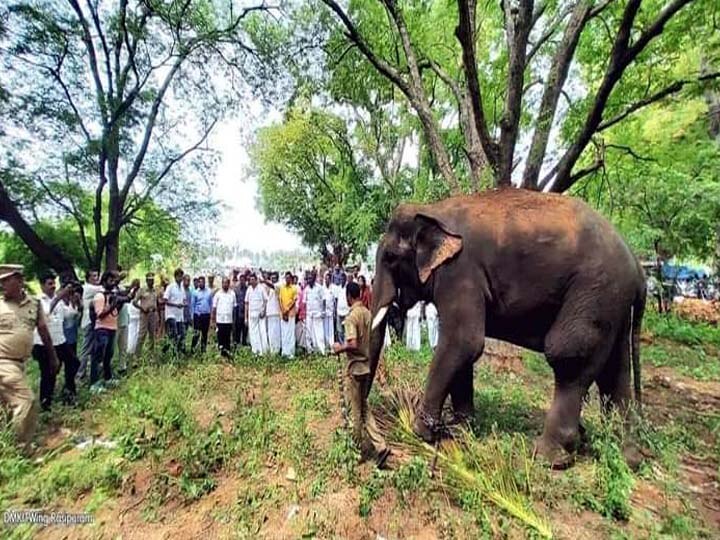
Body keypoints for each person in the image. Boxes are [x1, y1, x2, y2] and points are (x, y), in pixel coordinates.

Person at [0, 264, 59, 452]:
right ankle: (22, 449)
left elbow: (43, 331)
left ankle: (8, 445)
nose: (1, 286)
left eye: (5, 281)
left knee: (9, 407)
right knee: (27, 401)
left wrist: (53, 357)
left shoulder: (35, 304)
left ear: (19, 280)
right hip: (3, 362)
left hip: (20, 364)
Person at [332, 282, 389, 468]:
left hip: (355, 369)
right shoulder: (367, 314)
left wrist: (339, 348)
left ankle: (356, 452)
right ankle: (381, 446)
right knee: (365, 409)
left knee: (355, 412)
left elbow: (353, 343)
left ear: (349, 296)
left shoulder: (352, 318)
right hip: (366, 366)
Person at [31, 271, 76, 409]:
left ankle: (68, 390)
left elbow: (69, 315)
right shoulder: (38, 301)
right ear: (42, 286)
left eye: (54, 283)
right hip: (43, 343)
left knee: (74, 363)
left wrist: (72, 300)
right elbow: (45, 316)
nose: (53, 286)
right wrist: (59, 298)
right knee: (48, 373)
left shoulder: (59, 300)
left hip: (60, 340)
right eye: (50, 284)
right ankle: (45, 403)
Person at [90, 270, 123, 392]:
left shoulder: (111, 295)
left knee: (108, 355)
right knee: (98, 356)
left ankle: (107, 378)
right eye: (110, 280)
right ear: (104, 281)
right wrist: (112, 305)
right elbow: (100, 315)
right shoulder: (100, 296)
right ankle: (94, 383)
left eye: (114, 280)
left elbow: (115, 312)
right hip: (102, 329)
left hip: (112, 328)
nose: (113, 283)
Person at [76, 269, 103, 381]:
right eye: (94, 276)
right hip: (89, 322)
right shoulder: (88, 288)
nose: (97, 278)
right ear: (88, 278)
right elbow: (103, 289)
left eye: (97, 276)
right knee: (86, 348)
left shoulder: (91, 288)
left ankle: (88, 370)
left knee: (92, 348)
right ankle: (80, 372)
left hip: (92, 321)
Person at [116, 278, 140, 374]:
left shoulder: (121, 287)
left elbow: (128, 297)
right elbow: (125, 297)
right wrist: (131, 289)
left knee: (123, 346)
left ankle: (122, 367)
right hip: (115, 322)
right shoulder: (112, 291)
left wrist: (133, 289)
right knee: (111, 349)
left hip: (124, 321)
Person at [133, 273, 158, 358]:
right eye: (150, 280)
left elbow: (156, 302)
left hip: (153, 315)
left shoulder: (155, 290)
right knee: (142, 335)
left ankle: (150, 355)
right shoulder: (142, 290)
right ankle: (137, 355)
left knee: (152, 335)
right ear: (147, 280)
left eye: (153, 279)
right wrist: (142, 308)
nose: (152, 281)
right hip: (144, 315)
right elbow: (134, 302)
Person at [163, 268, 187, 355]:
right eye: (179, 276)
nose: (181, 278)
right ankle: (175, 354)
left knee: (181, 334)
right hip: (171, 314)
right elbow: (165, 300)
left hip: (180, 316)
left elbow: (184, 299)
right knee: (175, 334)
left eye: (182, 276)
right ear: (175, 277)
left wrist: (185, 303)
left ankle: (166, 348)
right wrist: (176, 305)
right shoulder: (170, 287)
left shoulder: (182, 288)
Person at [212, 277, 236, 358]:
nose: (225, 284)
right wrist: (213, 321)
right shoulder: (218, 294)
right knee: (220, 337)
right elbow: (214, 308)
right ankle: (221, 353)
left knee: (227, 337)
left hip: (229, 320)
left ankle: (227, 353)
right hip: (220, 320)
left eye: (226, 283)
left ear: (229, 284)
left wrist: (234, 320)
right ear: (222, 284)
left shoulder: (232, 294)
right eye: (223, 283)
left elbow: (234, 308)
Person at [245, 274, 268, 355]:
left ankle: (263, 352)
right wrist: (246, 318)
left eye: (252, 279)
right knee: (253, 333)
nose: (251, 281)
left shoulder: (261, 288)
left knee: (261, 332)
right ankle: (255, 351)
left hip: (260, 314)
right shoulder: (249, 289)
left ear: (256, 280)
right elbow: (246, 304)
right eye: (250, 280)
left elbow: (265, 301)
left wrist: (264, 311)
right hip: (251, 314)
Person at [304, 273, 325, 354]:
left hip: (318, 313)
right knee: (309, 333)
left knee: (319, 333)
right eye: (308, 279)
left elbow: (323, 300)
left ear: (314, 279)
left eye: (310, 278)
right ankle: (310, 350)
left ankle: (321, 351)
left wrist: (323, 312)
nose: (309, 280)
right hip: (309, 314)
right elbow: (305, 302)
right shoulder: (306, 289)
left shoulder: (319, 288)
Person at [191, 276, 213, 353]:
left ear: (205, 282)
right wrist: (192, 317)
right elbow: (192, 305)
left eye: (202, 282)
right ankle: (193, 350)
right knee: (196, 333)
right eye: (200, 282)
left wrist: (211, 315)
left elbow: (211, 304)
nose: (201, 283)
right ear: (198, 283)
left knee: (204, 333)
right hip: (198, 315)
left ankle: (203, 350)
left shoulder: (209, 292)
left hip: (206, 315)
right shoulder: (195, 292)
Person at [278, 272, 298, 358]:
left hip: (291, 314)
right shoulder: (282, 288)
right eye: (286, 278)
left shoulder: (294, 288)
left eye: (289, 278)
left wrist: (287, 310)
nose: (287, 279)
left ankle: (291, 353)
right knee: (284, 333)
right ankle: (284, 352)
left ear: (291, 279)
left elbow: (294, 300)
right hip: (283, 314)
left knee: (290, 333)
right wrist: (283, 310)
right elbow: (280, 300)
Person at [263, 273, 282, 354]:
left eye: (274, 278)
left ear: (277, 278)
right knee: (270, 332)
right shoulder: (270, 289)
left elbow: (271, 285)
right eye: (272, 278)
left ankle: (276, 350)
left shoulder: (279, 285)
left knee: (276, 332)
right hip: (270, 313)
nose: (273, 279)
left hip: (276, 313)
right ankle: (272, 349)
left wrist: (264, 281)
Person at [233, 274, 248, 347]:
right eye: (240, 280)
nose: (242, 281)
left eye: (243, 280)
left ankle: (244, 343)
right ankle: (237, 344)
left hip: (245, 313)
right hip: (238, 313)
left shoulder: (248, 289)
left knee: (245, 330)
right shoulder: (236, 290)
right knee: (237, 330)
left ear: (245, 280)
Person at [334, 273, 350, 342]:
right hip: (339, 311)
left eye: (343, 279)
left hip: (346, 311)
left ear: (345, 279)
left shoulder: (348, 288)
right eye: (340, 279)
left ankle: (346, 344)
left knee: (346, 329)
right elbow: (336, 300)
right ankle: (341, 344)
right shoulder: (338, 288)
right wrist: (335, 310)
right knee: (339, 330)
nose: (342, 280)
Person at [322, 272, 336, 350]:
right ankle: (326, 344)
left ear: (330, 280)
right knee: (325, 328)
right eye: (325, 279)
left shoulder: (333, 288)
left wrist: (334, 312)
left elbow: (334, 301)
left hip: (331, 311)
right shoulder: (322, 288)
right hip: (324, 312)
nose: (327, 280)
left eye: (328, 279)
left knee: (331, 329)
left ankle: (331, 344)